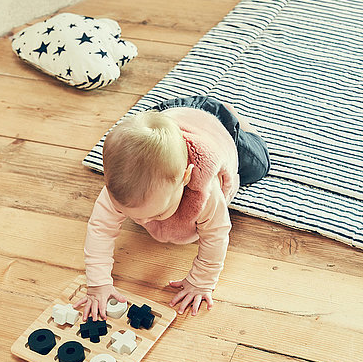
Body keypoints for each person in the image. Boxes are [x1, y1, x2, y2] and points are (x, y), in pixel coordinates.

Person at [73, 95, 270, 321]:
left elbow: (216, 235)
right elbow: (100, 229)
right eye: (131, 216)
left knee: (258, 166)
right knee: (144, 146)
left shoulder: (206, 191)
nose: (146, 222)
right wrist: (98, 283)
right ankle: (163, 116)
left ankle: (233, 116)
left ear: (186, 178)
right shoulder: (115, 191)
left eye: (157, 214)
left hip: (215, 123)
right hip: (166, 118)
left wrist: (201, 281)